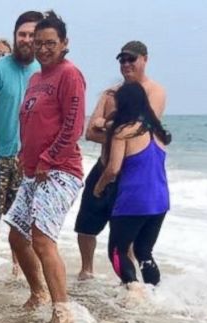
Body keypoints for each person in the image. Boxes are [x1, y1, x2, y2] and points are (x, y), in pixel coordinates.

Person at [4, 11, 85, 323]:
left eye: (50, 43)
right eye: (38, 43)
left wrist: (48, 159)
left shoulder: (70, 74)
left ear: (64, 44)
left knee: (42, 239)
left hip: (60, 170)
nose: (43, 48)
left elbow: (73, 126)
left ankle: (62, 310)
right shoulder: (37, 78)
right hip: (33, 170)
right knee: (15, 236)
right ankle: (39, 293)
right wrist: (27, 156)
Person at [75, 40, 166, 280]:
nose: (126, 64)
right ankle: (87, 271)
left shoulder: (154, 91)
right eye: (122, 60)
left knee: (124, 242)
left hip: (131, 175)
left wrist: (108, 125)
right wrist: (114, 132)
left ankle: (130, 285)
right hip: (107, 166)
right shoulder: (110, 93)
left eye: (131, 59)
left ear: (145, 59)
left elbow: (142, 128)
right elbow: (89, 132)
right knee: (85, 225)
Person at [93, 82, 171, 304]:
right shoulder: (158, 132)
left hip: (133, 200)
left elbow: (113, 168)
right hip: (160, 201)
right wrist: (105, 123)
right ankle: (156, 295)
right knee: (144, 251)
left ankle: (134, 290)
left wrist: (99, 187)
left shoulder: (123, 131)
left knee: (117, 251)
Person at [0, 11, 42, 274]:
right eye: (22, 34)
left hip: (29, 161)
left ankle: (20, 270)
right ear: (16, 36)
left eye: (32, 35)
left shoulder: (43, 72)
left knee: (25, 221)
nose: (26, 39)